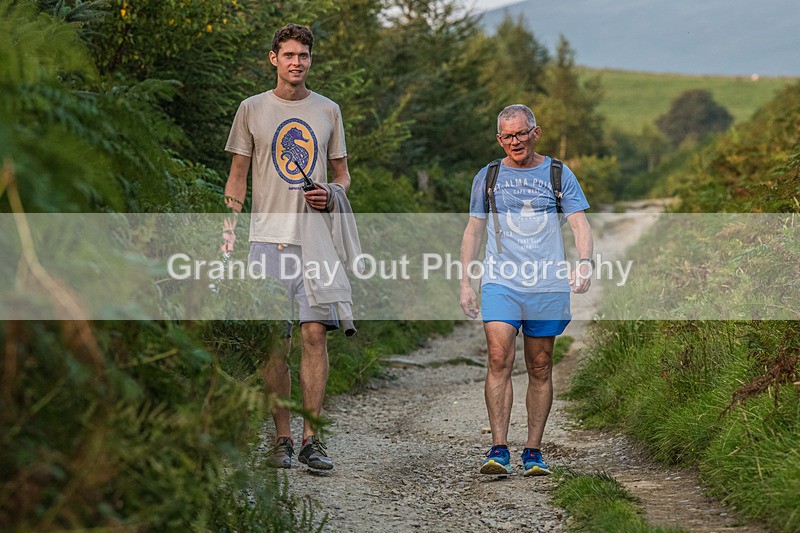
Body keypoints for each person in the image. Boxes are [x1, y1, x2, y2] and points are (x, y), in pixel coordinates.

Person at [221, 23, 352, 471]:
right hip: (266, 241)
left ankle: (312, 439)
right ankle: (281, 439)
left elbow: (343, 176)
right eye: (289, 54)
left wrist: (331, 194)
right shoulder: (252, 109)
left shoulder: (328, 111)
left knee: (314, 335)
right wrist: (229, 228)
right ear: (273, 58)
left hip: (314, 241)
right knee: (273, 345)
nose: (297, 62)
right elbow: (238, 175)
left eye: (304, 55)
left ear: (311, 60)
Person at [459, 104, 593, 477]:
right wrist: (466, 283)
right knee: (499, 358)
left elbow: (580, 224)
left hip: (547, 283)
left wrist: (584, 263)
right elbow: (474, 230)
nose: (514, 141)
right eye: (507, 136)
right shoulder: (487, 176)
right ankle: (499, 448)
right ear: (499, 139)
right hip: (501, 281)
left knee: (540, 365)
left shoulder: (558, 173)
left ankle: (533, 451)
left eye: (520, 133)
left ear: (535, 132)